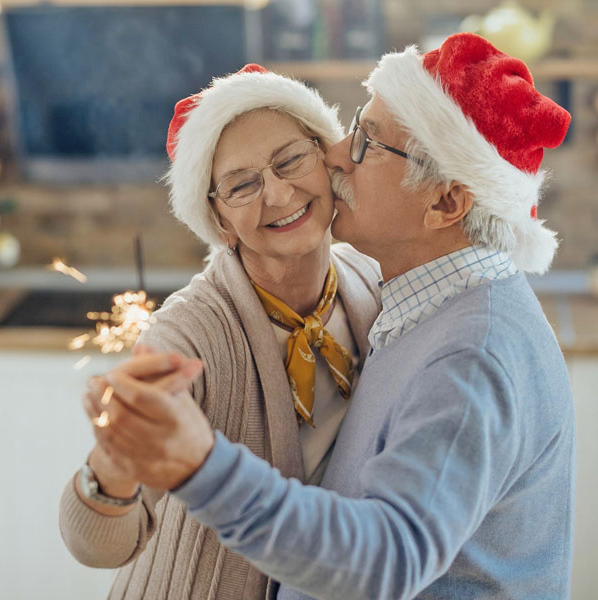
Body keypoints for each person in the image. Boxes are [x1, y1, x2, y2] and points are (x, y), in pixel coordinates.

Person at [85, 33, 575, 599]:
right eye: (242, 185)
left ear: (444, 204)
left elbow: (389, 558)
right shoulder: (415, 304)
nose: (337, 154)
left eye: (368, 141)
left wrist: (202, 465)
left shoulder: (469, 355)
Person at [59, 65, 382, 598]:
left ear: (327, 158)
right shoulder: (187, 333)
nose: (278, 195)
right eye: (242, 184)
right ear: (217, 218)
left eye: (291, 160)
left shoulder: (370, 280)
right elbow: (98, 545)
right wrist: (112, 465)